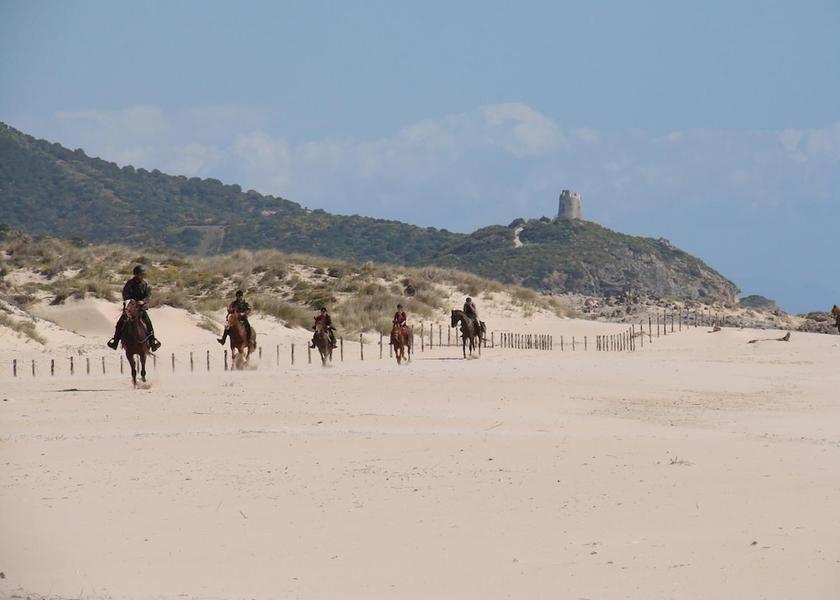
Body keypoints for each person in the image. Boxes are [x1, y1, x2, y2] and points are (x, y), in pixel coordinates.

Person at [107, 265, 161, 351]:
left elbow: (148, 296)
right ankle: (115, 342)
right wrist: (129, 299)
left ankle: (152, 343)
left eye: (143, 274)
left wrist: (143, 301)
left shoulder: (146, 285)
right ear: (136, 274)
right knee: (120, 323)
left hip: (141, 309)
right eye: (140, 274)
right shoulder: (129, 283)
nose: (142, 276)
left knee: (149, 324)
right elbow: (125, 293)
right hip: (130, 308)